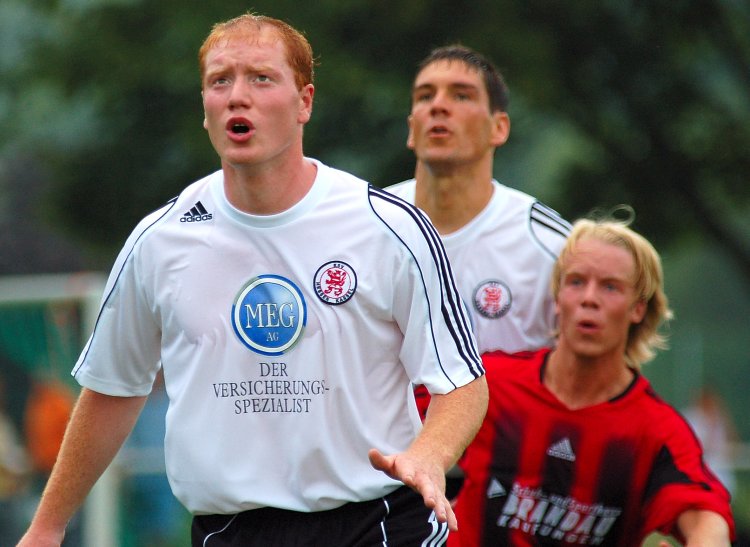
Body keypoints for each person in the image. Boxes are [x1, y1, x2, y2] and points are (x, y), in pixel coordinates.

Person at [18, 13, 488, 547]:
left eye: (261, 78)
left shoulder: (388, 227)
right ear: (205, 107)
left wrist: (429, 456)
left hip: (378, 521)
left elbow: (463, 383)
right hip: (229, 529)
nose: (237, 96)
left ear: (304, 102)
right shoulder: (160, 240)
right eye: (220, 81)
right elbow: (111, 388)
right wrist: (46, 527)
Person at [449, 214, 736, 546]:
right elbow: (406, 428)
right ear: (557, 299)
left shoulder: (656, 431)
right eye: (576, 282)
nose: (589, 298)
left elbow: (706, 517)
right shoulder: (487, 383)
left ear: (638, 309)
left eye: (610, 286)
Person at [388, 44, 571, 358]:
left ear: (498, 128)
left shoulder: (550, 246)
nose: (438, 106)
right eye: (425, 96)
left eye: (461, 96)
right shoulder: (369, 223)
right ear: (411, 130)